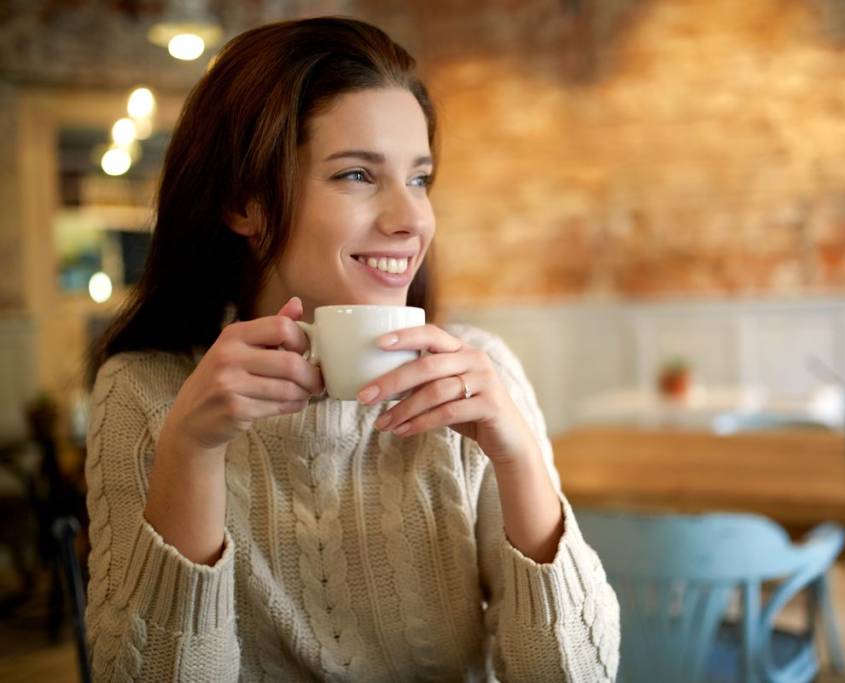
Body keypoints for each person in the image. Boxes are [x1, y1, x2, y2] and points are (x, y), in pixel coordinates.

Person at [85, 16, 619, 682]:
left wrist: (516, 455)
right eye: (359, 175)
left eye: (419, 178)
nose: (411, 218)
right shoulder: (144, 392)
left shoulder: (479, 374)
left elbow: (577, 675)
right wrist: (191, 450)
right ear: (244, 202)